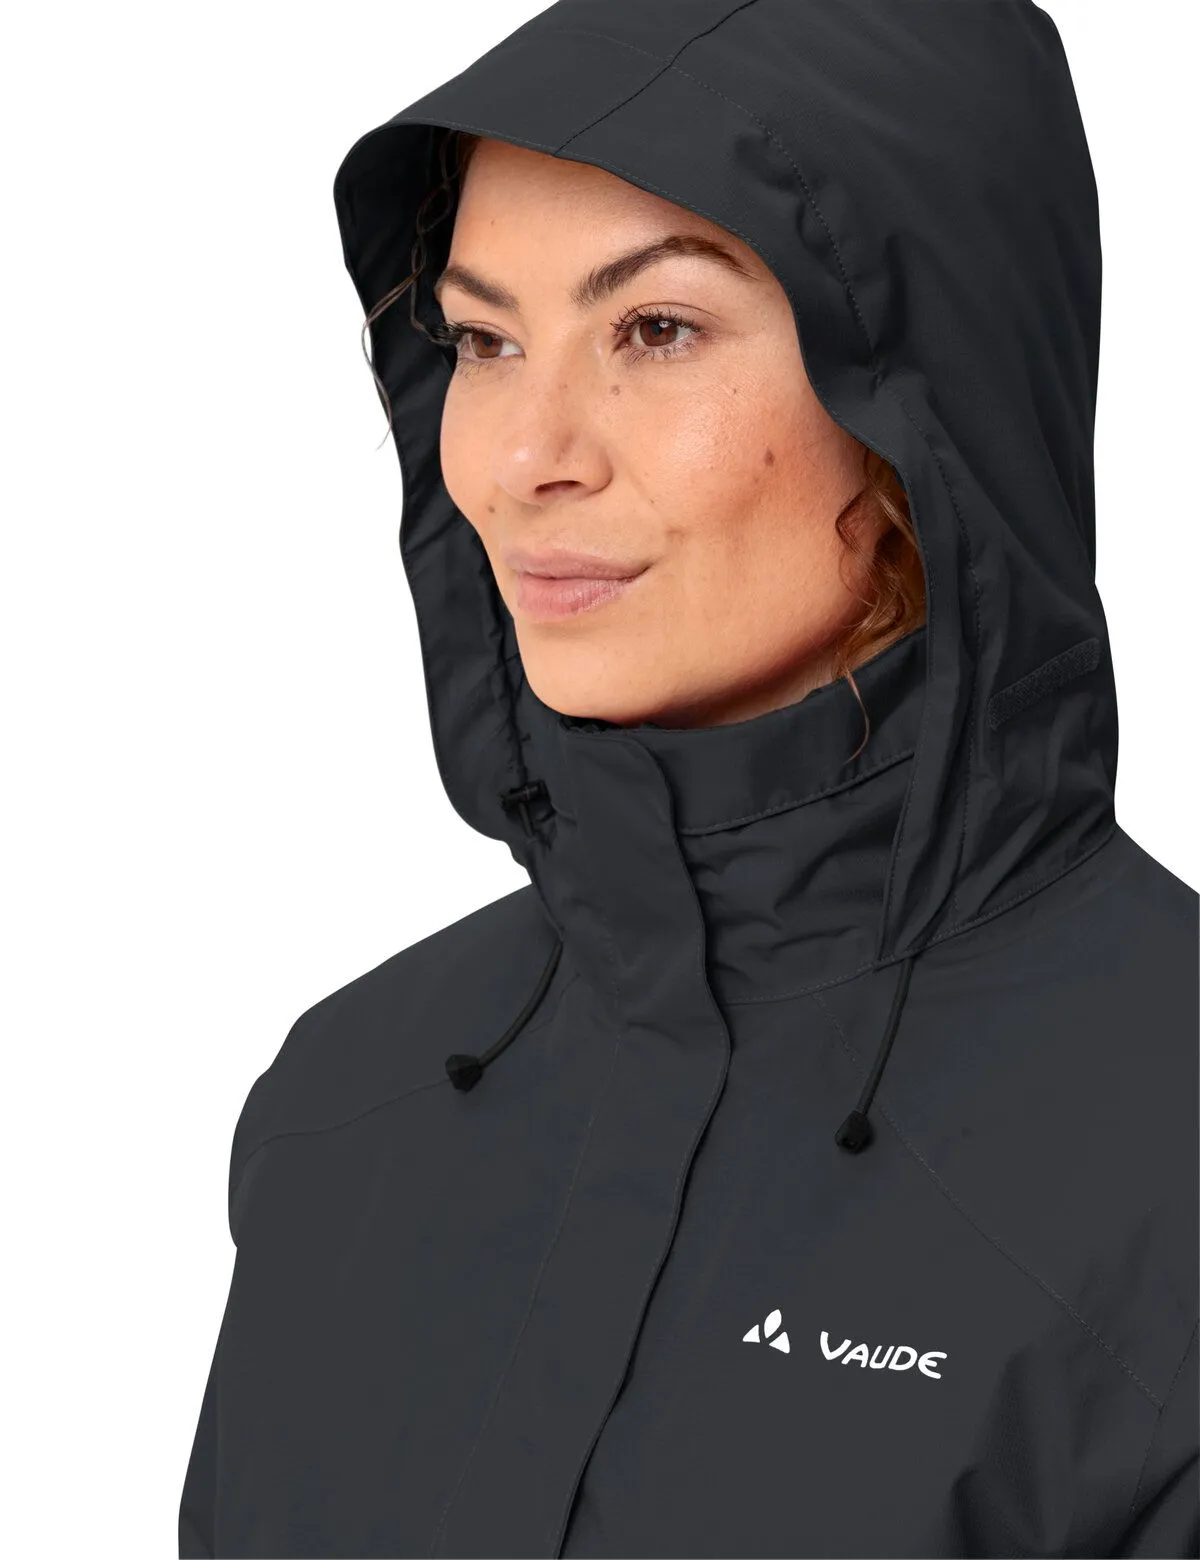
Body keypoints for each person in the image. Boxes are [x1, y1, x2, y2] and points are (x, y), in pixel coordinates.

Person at [179, 3, 1199, 1556]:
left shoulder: (1165, 1163)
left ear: (931, 388)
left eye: (654, 331)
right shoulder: (344, 1105)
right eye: (484, 340)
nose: (522, 459)